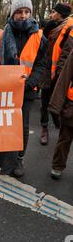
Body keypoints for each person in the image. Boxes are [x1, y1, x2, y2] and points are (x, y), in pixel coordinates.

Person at [0, 0, 47, 177]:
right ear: (13, 13)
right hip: (4, 90)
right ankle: (0, 158)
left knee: (22, 126)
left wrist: (29, 84)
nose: (23, 15)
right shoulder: (0, 36)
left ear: (30, 13)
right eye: (19, 12)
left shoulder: (39, 37)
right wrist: (0, 80)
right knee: (3, 123)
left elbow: (41, 65)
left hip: (27, 91)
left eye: (26, 12)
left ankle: (18, 160)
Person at [39, 3, 73, 145]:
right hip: (46, 70)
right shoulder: (49, 27)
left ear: (60, 14)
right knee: (44, 101)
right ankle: (44, 129)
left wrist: (60, 74)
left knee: (57, 103)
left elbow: (66, 53)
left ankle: (59, 125)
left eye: (53, 12)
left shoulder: (68, 28)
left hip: (59, 73)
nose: (51, 15)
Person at [48, 48, 73, 179]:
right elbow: (65, 76)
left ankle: (57, 166)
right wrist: (56, 105)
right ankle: (57, 165)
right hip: (71, 105)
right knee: (65, 138)